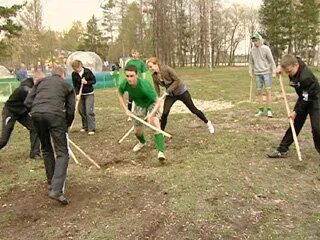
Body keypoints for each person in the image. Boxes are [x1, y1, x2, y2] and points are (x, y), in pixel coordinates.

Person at [25, 66, 75, 205]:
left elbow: (28, 102)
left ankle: (51, 182)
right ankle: (57, 190)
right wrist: (67, 124)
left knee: (46, 148)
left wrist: (35, 112)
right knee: (62, 153)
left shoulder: (41, 82)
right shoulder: (67, 85)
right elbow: (71, 109)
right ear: (63, 75)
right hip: (55, 116)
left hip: (36, 115)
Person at [267, 54, 320, 158]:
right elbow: (288, 59)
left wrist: (295, 111)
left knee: (317, 127)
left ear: (296, 65)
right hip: (303, 97)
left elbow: (306, 98)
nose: (288, 74)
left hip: (315, 99)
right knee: (294, 123)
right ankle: (282, 149)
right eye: (286, 72)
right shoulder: (293, 62)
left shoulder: (306, 77)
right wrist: (280, 67)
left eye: (289, 72)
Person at [146, 57, 215, 134]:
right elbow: (156, 88)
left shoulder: (166, 69)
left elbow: (177, 80)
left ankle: (208, 123)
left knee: (193, 110)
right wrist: (157, 98)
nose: (150, 69)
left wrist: (167, 91)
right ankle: (161, 132)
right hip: (171, 95)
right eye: (149, 67)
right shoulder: (154, 76)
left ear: (156, 64)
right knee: (165, 113)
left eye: (151, 66)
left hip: (181, 92)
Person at [118, 65, 166, 162]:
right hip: (140, 105)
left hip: (152, 103)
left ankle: (161, 152)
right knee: (137, 132)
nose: (129, 78)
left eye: (131, 76)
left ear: (137, 75)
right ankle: (142, 142)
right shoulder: (125, 84)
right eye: (127, 76)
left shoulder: (144, 86)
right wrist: (126, 110)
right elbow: (119, 93)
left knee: (154, 122)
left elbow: (157, 102)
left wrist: (151, 114)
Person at [0, 72, 43, 159]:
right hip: (11, 111)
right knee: (4, 139)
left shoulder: (37, 87)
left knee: (35, 128)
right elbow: (30, 103)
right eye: (40, 82)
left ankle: (35, 153)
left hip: (22, 112)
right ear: (34, 80)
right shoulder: (25, 88)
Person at [249, 32, 276, 117]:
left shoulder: (266, 49)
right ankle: (261, 109)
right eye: (253, 40)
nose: (254, 42)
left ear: (260, 40)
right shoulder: (252, 50)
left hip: (266, 72)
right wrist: (250, 70)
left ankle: (269, 110)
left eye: (256, 40)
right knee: (259, 91)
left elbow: (271, 61)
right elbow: (251, 62)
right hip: (257, 73)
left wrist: (274, 71)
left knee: (268, 91)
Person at [71, 60, 96, 135]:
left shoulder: (87, 72)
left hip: (89, 94)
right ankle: (85, 126)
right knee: (81, 111)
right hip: (81, 95)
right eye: (74, 69)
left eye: (77, 68)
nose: (76, 70)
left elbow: (94, 81)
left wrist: (86, 82)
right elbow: (75, 85)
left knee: (89, 111)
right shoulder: (74, 74)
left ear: (80, 66)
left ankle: (91, 128)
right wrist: (77, 94)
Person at [125, 49, 148, 115]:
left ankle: (143, 113)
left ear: (138, 54)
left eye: (135, 53)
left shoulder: (141, 62)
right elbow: (126, 72)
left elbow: (144, 72)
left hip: (139, 82)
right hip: (132, 82)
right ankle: (129, 114)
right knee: (130, 99)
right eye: (133, 53)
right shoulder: (129, 63)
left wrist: (144, 80)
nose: (134, 55)